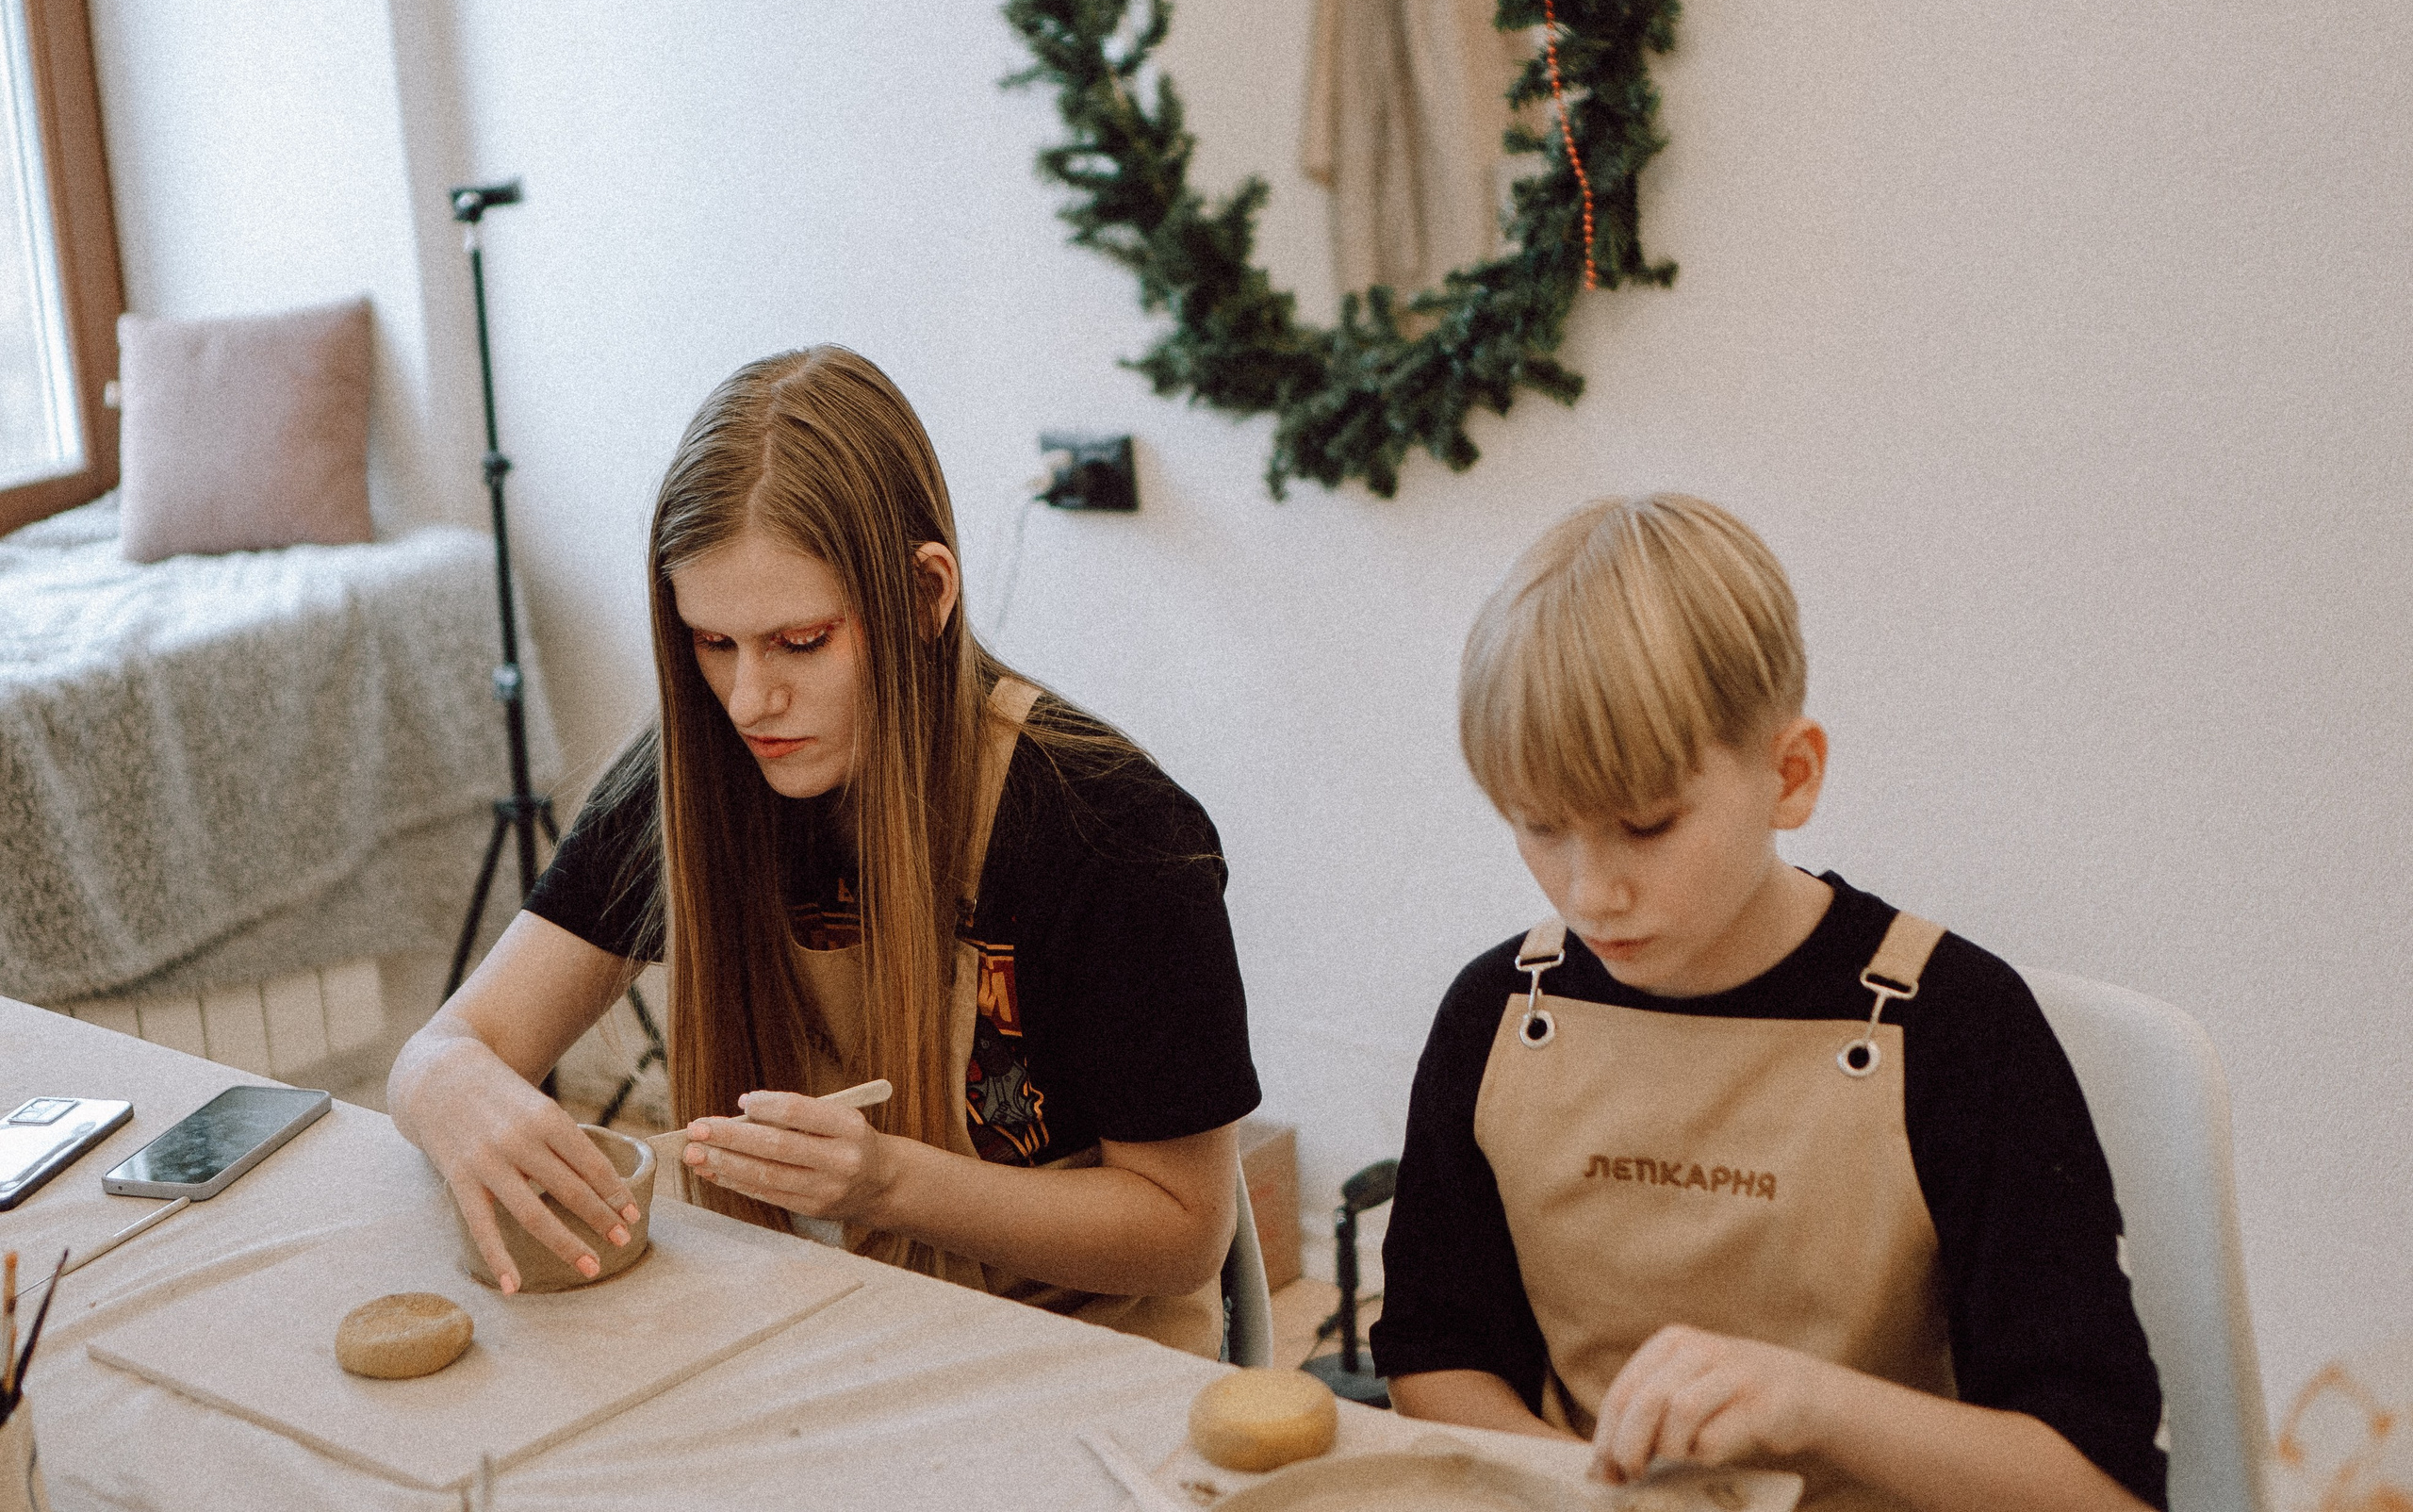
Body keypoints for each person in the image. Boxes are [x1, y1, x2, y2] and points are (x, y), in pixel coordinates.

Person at [387, 345, 1258, 1356]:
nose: (751, 701)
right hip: (821, 1326)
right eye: (713, 645)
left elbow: (1182, 1233)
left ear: (926, 595)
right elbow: (450, 1047)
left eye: (801, 643)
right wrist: (452, 1086)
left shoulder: (1110, 829)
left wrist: (890, 1183)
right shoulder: (698, 777)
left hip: (1078, 1357)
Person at [1370, 495, 2168, 1509]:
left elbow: (2103, 1489)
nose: (1588, 893)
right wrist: (1588, 1489)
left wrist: (1811, 1404)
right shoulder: (1495, 1011)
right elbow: (1436, 1356)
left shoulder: (1956, 1027)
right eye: (1539, 828)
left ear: (1789, 776)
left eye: (1647, 826)